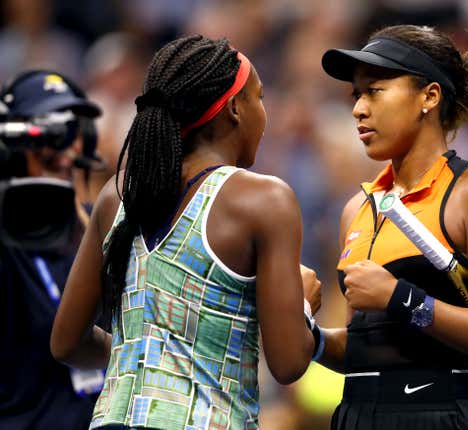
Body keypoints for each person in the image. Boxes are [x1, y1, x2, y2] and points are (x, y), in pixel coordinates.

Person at [50, 35, 323, 430]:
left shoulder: (117, 193)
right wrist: (303, 307)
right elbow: (288, 362)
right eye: (259, 97)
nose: (266, 113)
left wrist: (144, 353)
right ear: (234, 109)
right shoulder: (265, 199)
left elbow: (66, 343)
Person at [316, 25, 468, 429]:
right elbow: (368, 349)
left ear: (429, 96)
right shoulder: (356, 210)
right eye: (356, 94)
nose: (358, 108)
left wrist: (400, 297)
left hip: (447, 417)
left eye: (375, 90)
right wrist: (310, 336)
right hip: (357, 418)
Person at [0, 70, 103, 429]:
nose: (64, 148)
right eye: (47, 133)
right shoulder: (6, 239)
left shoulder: (101, 229)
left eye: (72, 132)